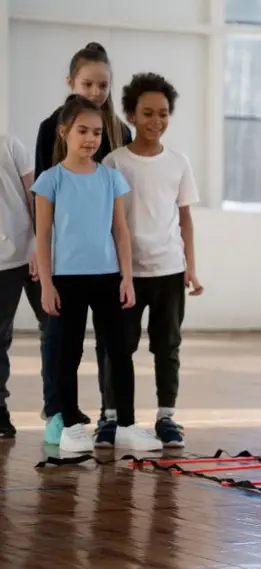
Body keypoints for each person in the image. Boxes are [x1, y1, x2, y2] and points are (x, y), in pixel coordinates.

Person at [32, 94, 162, 453]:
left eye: (97, 133)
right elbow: (42, 236)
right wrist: (46, 284)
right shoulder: (50, 180)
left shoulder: (110, 178)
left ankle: (126, 424)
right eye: (82, 131)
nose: (91, 139)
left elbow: (120, 231)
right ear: (64, 132)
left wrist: (126, 278)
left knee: (119, 352)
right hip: (66, 281)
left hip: (107, 278)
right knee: (67, 354)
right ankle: (71, 425)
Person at [33, 42, 133, 445]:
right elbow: (42, 203)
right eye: (88, 83)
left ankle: (113, 418)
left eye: (103, 85)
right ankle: (59, 412)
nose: (95, 92)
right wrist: (40, 260)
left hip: (105, 262)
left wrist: (125, 268)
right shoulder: (50, 128)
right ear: (71, 82)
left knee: (112, 345)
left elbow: (119, 207)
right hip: (66, 263)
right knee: (60, 342)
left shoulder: (118, 132)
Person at [101, 72, 203, 449]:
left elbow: (186, 217)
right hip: (125, 273)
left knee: (168, 346)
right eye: (147, 113)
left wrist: (191, 267)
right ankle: (112, 419)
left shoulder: (179, 162)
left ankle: (166, 417)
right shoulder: (114, 162)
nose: (156, 121)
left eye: (163, 113)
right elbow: (108, 221)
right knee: (118, 346)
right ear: (130, 115)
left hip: (169, 271)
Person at [0, 134, 36, 438]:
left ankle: (58, 410)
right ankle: (0, 410)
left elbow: (32, 195)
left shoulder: (10, 145)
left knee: (55, 328)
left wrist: (39, 243)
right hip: (1, 264)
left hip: (31, 255)